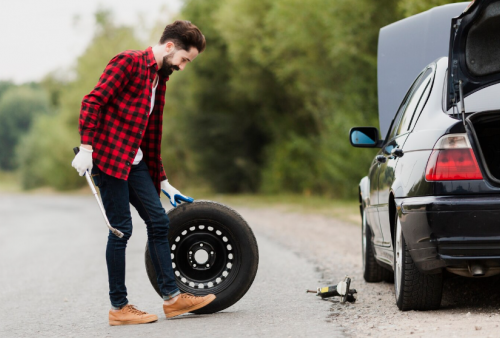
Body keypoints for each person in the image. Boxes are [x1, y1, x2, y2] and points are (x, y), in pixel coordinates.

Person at [71, 20, 215, 326]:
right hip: (108, 159)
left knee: (159, 221)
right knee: (121, 229)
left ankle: (173, 300)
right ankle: (118, 308)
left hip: (134, 162)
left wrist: (163, 181)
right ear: (169, 47)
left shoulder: (159, 80)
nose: (183, 66)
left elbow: (150, 136)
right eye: (184, 59)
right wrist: (86, 147)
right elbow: (92, 101)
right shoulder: (129, 62)